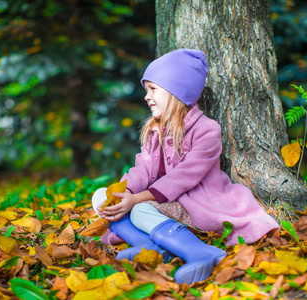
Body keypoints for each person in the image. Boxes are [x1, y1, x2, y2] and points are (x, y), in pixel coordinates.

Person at [92, 49, 279, 285]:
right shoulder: (154, 130)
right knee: (101, 197)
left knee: (139, 210)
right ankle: (152, 248)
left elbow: (183, 177)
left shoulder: (207, 130)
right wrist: (125, 193)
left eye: (153, 89)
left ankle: (202, 254)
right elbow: (141, 168)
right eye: (145, 90)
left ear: (175, 91)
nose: (146, 97)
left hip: (196, 200)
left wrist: (137, 200)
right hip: (161, 201)